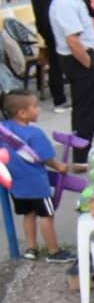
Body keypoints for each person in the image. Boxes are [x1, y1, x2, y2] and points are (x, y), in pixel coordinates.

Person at [1, 92, 75, 261]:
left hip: (17, 185)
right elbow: (46, 157)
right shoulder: (35, 133)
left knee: (29, 215)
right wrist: (60, 166)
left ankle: (31, 249)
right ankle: (54, 251)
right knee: (47, 216)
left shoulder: (4, 129)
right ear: (22, 113)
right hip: (37, 185)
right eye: (35, 106)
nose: (39, 109)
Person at [48, 0, 94, 163]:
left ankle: (84, 148)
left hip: (81, 56)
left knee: (86, 107)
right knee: (84, 108)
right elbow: (73, 40)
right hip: (78, 58)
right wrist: (89, 64)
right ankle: (81, 154)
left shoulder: (72, 0)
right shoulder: (65, 3)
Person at [27, 0, 67, 110]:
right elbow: (46, 9)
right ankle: (59, 101)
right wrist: (54, 31)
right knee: (56, 64)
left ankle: (61, 98)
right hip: (51, 28)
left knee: (59, 63)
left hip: (54, 27)